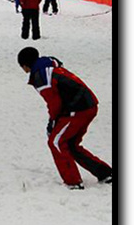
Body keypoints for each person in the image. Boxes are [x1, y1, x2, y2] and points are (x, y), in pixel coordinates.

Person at [17, 47, 112, 189]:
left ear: (25, 65)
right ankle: (105, 173)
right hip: (88, 105)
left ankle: (73, 182)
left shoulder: (41, 76)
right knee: (70, 144)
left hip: (78, 109)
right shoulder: (49, 67)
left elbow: (54, 103)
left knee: (56, 142)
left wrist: (53, 122)